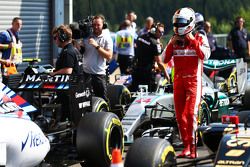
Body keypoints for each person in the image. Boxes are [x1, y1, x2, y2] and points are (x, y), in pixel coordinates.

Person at [163, 7, 210, 159]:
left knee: (190, 115)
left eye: (181, 22)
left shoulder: (200, 36)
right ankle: (186, 147)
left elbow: (205, 55)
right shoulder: (174, 39)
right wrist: (171, 43)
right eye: (176, 23)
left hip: (193, 83)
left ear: (190, 22)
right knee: (179, 117)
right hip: (178, 82)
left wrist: (192, 41)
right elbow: (164, 59)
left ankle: (194, 147)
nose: (178, 26)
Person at [50, 24, 80, 121]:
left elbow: (68, 70)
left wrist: (53, 73)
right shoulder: (71, 49)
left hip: (68, 91)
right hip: (72, 90)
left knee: (66, 115)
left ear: (62, 38)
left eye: (55, 38)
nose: (54, 41)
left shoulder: (68, 51)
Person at [82, 15, 113, 102]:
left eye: (98, 25)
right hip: (85, 74)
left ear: (103, 25)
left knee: (102, 100)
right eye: (94, 24)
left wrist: (96, 46)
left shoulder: (107, 38)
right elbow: (81, 51)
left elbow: (109, 56)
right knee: (85, 100)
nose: (96, 27)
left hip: (98, 74)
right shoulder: (87, 36)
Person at [131, 22, 169, 92]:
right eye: (160, 32)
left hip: (136, 70)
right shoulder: (155, 44)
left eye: (163, 32)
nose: (162, 34)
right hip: (147, 73)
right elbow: (159, 62)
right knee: (147, 96)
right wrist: (166, 74)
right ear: (153, 30)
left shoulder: (140, 37)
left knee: (134, 93)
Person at [0, 17, 23, 84]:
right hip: (7, 65)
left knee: (13, 86)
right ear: (12, 24)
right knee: (6, 86)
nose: (19, 26)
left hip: (14, 65)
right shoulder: (5, 34)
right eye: (17, 24)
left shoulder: (16, 35)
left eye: (21, 24)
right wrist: (7, 46)